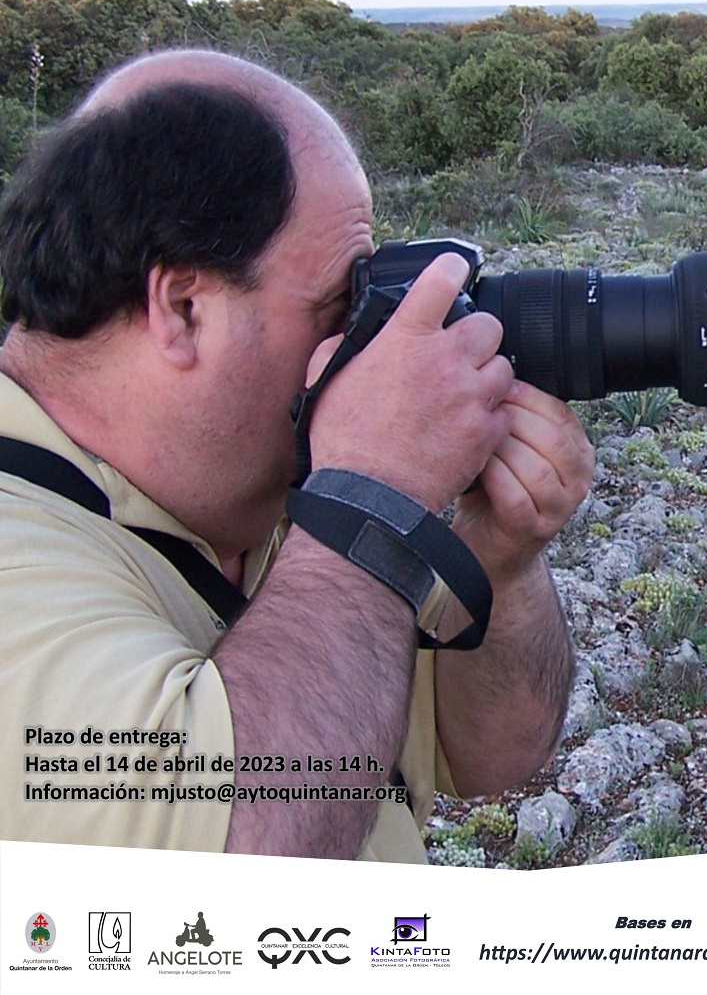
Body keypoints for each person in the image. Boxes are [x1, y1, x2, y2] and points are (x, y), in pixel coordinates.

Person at [0, 50, 594, 863]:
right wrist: (367, 493)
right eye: (334, 309)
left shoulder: (263, 498)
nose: (358, 348)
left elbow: (491, 756)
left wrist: (501, 561)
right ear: (183, 307)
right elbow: (230, 887)